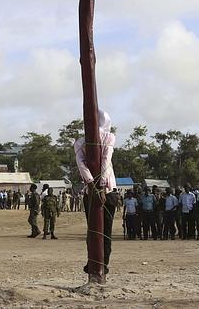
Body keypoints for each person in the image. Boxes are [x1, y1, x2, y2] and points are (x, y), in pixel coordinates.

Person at [74, 109, 117, 276]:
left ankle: (92, 261)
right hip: (108, 190)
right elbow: (106, 161)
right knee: (106, 231)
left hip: (90, 191)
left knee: (92, 230)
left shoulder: (80, 142)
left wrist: (92, 185)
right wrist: (101, 186)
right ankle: (103, 263)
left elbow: (81, 165)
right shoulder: (109, 137)